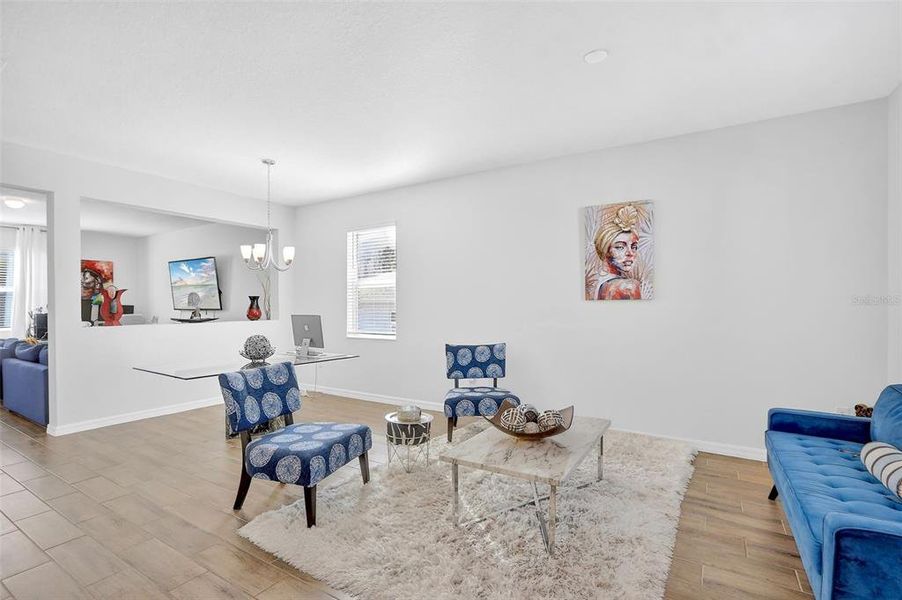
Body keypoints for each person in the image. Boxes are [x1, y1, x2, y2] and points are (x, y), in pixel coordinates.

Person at [592, 204, 643, 300]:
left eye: (634, 246)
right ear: (605, 249)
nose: (630, 253)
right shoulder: (628, 287)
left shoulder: (599, 283)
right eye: (620, 247)